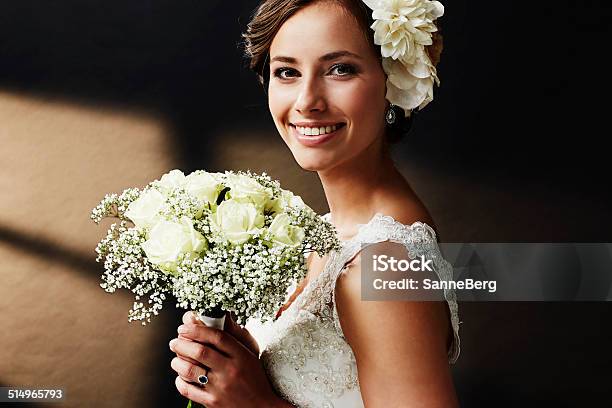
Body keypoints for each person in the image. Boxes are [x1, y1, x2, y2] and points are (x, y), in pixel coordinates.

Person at [168, 0, 461, 406]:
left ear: (392, 80)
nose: (307, 100)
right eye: (287, 72)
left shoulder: (381, 264)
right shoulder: (331, 233)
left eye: (340, 69)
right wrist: (250, 366)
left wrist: (256, 403)